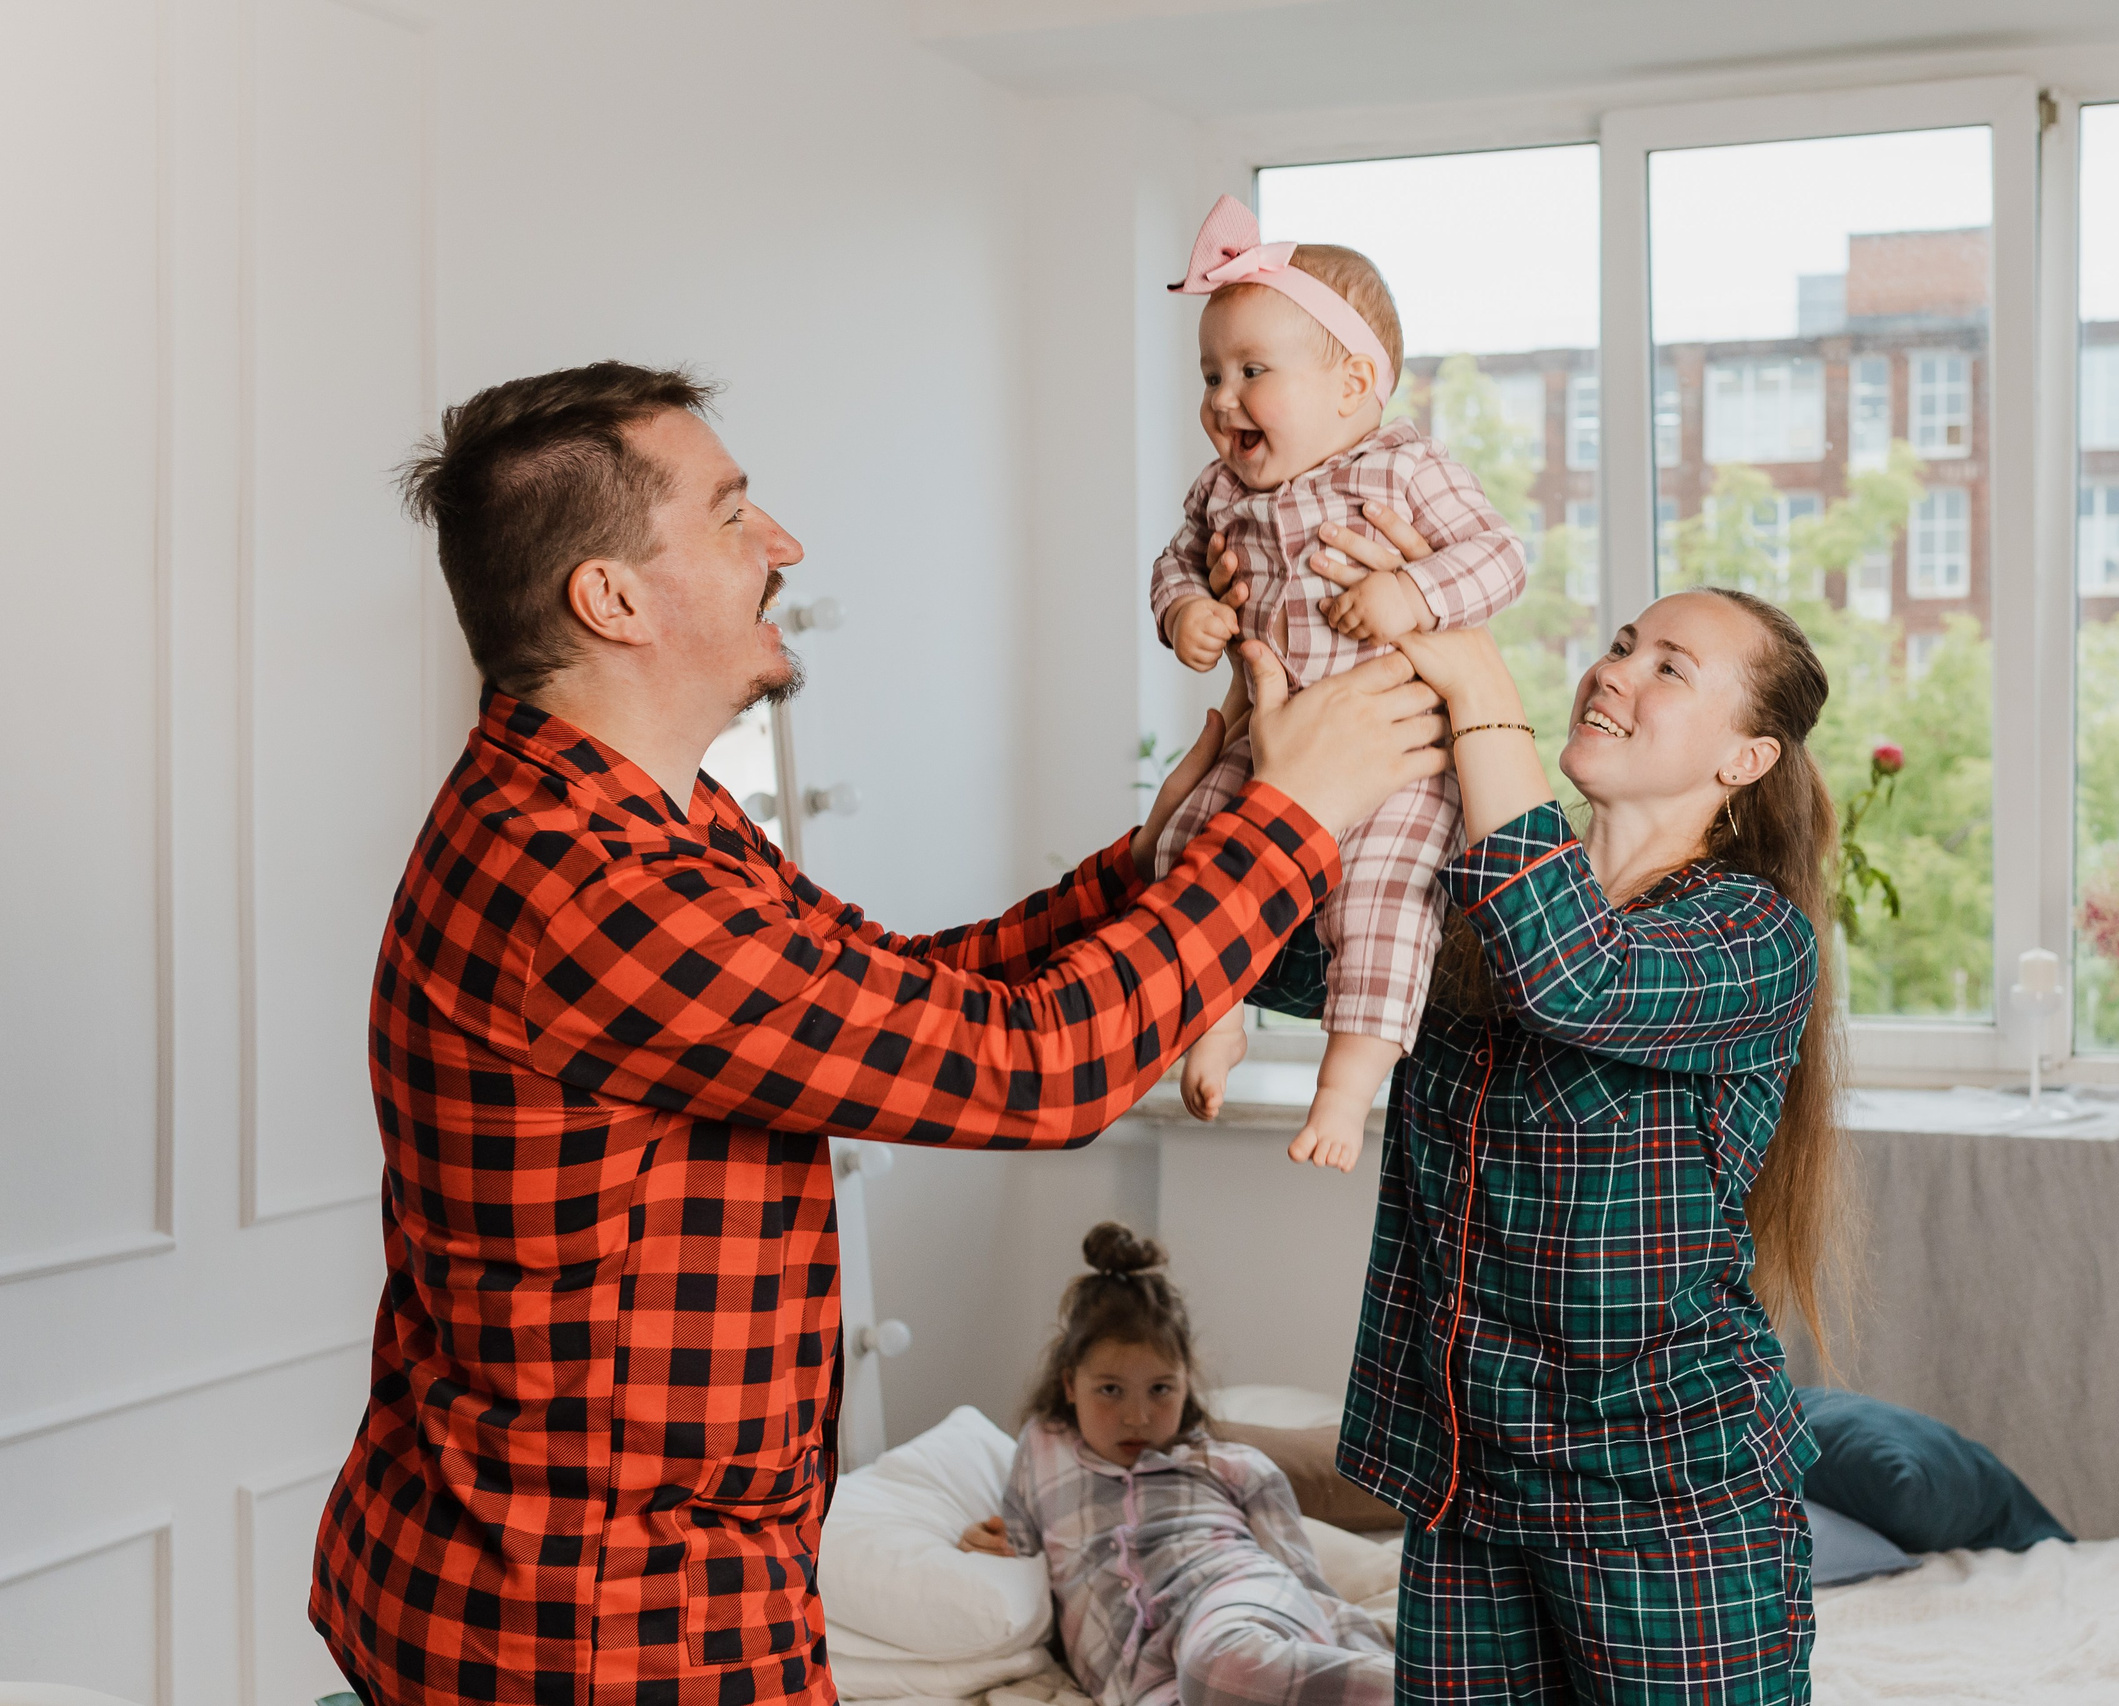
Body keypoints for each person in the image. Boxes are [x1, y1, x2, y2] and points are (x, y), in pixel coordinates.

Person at [307, 361, 1447, 1706]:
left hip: (593, 1575)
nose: (781, 541)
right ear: (611, 598)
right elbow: (1038, 1071)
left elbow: (900, 990)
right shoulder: (582, 887)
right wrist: (1292, 819)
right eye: (733, 515)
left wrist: (1153, 860)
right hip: (588, 1623)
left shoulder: (650, 819)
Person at [1250, 513, 1847, 1704]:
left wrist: (1475, 681)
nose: (1613, 670)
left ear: (1746, 759)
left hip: (1666, 1501)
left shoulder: (1751, 935)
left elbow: (1574, 974)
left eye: (1667, 667)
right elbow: (1270, 955)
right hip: (1467, 1484)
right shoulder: (1471, 908)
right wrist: (1255, 754)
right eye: (1621, 643)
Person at [1148, 195, 1526, 1173]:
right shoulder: (1217, 491)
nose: (1222, 398)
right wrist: (1184, 609)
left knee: (1384, 906)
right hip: (1266, 745)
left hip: (1397, 761)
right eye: (1210, 375)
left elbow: (1498, 559)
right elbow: (1175, 562)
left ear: (1354, 383)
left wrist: (1411, 588)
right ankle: (1213, 1016)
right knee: (1185, 842)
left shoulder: (1402, 467)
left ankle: (1345, 1089)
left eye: (1251, 372)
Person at [959, 1224, 1392, 1706]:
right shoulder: (1043, 1447)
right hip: (1137, 1676)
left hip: (1236, 1606)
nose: (1137, 1417)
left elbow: (1306, 1583)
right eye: (1110, 1390)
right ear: (1068, 1385)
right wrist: (991, 1548)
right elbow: (1021, 1553)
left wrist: (1367, 1644)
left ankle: (1441, 1693)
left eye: (1161, 1389)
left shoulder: (1232, 1464)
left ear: (1187, 1384)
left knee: (1220, 1666)